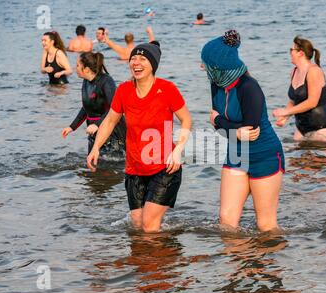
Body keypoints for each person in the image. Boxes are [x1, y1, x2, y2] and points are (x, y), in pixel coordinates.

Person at [87, 42, 192, 233]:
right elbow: (110, 121)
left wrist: (178, 150)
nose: (136, 62)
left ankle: (161, 261)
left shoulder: (167, 89)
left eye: (142, 59)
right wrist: (96, 148)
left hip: (165, 167)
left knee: (149, 226)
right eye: (133, 58)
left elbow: (186, 120)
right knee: (137, 225)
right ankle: (152, 259)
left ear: (153, 64)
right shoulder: (124, 90)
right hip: (134, 168)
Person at [201, 30, 285, 233]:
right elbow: (224, 130)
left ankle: (272, 264)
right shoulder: (216, 84)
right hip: (236, 154)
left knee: (265, 225)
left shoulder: (249, 87)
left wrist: (220, 121)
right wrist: (230, 129)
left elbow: (250, 131)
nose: (202, 67)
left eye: (206, 63)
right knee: (226, 222)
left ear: (219, 67)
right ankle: (238, 262)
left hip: (264, 155)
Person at [61, 52, 126, 155]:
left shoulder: (106, 81)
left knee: (113, 165)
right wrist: (72, 127)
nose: (75, 68)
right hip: (92, 130)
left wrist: (97, 125)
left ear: (86, 69)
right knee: (92, 163)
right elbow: (86, 108)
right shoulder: (86, 81)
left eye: (78, 65)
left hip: (112, 130)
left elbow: (114, 108)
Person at [273, 36, 326, 142]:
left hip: (320, 128)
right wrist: (284, 118)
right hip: (301, 129)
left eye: (292, 50)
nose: (290, 52)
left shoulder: (314, 71)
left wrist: (285, 112)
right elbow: (293, 100)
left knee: (313, 155)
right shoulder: (294, 72)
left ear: (300, 53)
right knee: (292, 157)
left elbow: (312, 102)